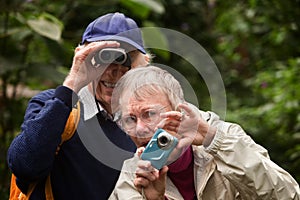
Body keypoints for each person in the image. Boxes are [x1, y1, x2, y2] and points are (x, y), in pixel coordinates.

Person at [7, 12, 150, 199]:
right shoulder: (55, 105)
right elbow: (24, 166)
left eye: (126, 59)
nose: (114, 71)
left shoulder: (140, 124)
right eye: (103, 57)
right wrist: (72, 84)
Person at [109, 66, 300, 200]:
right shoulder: (132, 174)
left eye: (149, 114)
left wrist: (213, 140)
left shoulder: (226, 138)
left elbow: (287, 195)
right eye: (130, 119)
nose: (140, 129)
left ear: (179, 111)